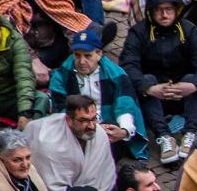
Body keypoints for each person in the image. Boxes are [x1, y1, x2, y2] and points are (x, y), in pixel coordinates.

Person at [122, 0, 197, 164]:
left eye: (169, 9)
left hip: (184, 93)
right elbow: (128, 64)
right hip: (154, 97)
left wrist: (193, 85)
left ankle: (190, 133)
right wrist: (149, 88)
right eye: (159, 10)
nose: (164, 15)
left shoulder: (188, 29)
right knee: (146, 80)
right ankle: (164, 136)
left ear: (176, 10)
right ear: (151, 11)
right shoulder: (139, 32)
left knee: (193, 79)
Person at [50, 28, 147, 161]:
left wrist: (124, 130)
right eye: (77, 55)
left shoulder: (116, 74)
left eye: (87, 56)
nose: (82, 61)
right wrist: (86, 127)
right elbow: (60, 109)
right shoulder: (62, 75)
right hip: (76, 129)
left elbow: (125, 105)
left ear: (99, 54)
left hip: (108, 127)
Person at [24, 95, 115, 191]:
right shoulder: (49, 143)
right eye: (84, 121)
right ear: (69, 120)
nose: (91, 126)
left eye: (93, 119)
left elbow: (105, 175)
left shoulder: (99, 133)